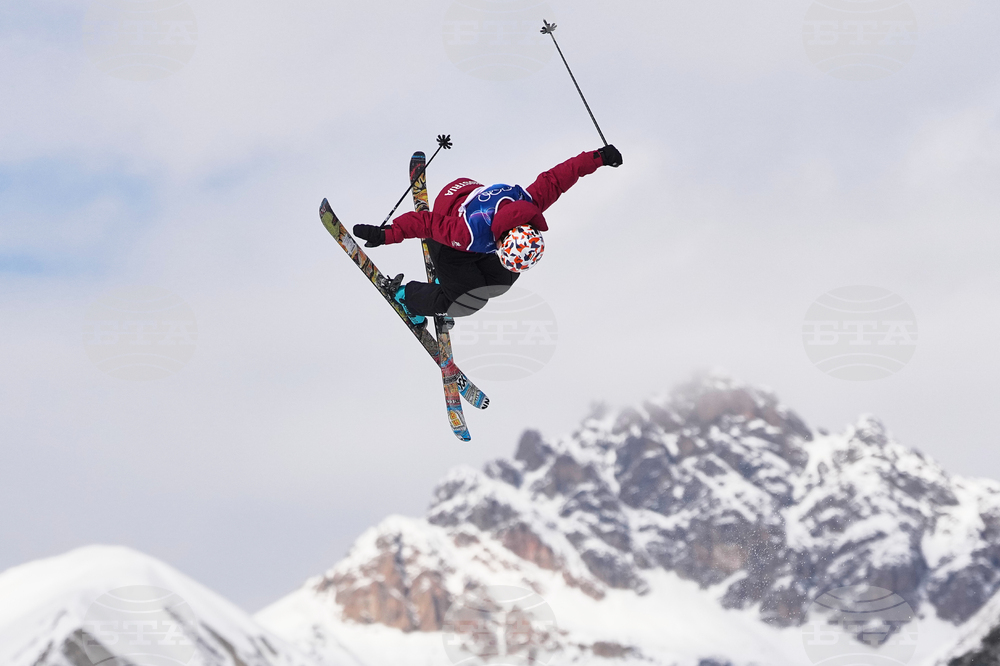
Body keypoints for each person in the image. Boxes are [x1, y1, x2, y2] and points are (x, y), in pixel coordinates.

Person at [353, 144, 623, 324]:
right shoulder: (468, 233)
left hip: (470, 197)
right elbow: (427, 223)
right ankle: (407, 297)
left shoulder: (528, 204)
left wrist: (598, 157)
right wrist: (386, 234)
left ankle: (454, 283)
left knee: (502, 280)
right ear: (504, 241)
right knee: (468, 302)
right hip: (451, 241)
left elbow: (557, 178)